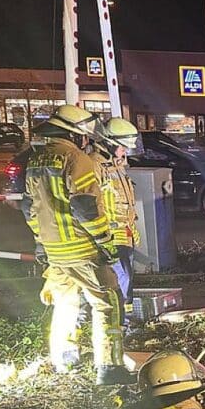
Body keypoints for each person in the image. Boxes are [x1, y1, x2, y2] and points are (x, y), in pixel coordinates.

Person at [22, 104, 129, 385]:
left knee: (65, 303)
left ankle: (64, 358)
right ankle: (109, 367)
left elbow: (29, 208)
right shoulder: (76, 158)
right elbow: (85, 206)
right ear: (75, 134)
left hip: (54, 251)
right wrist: (105, 241)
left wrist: (41, 243)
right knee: (107, 303)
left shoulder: (36, 160)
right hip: (82, 249)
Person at [92, 117, 141, 302]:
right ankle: (123, 315)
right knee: (121, 278)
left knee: (127, 277)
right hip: (110, 234)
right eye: (123, 146)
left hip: (125, 232)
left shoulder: (116, 164)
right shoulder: (95, 164)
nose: (125, 151)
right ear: (109, 143)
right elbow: (92, 202)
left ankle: (127, 313)